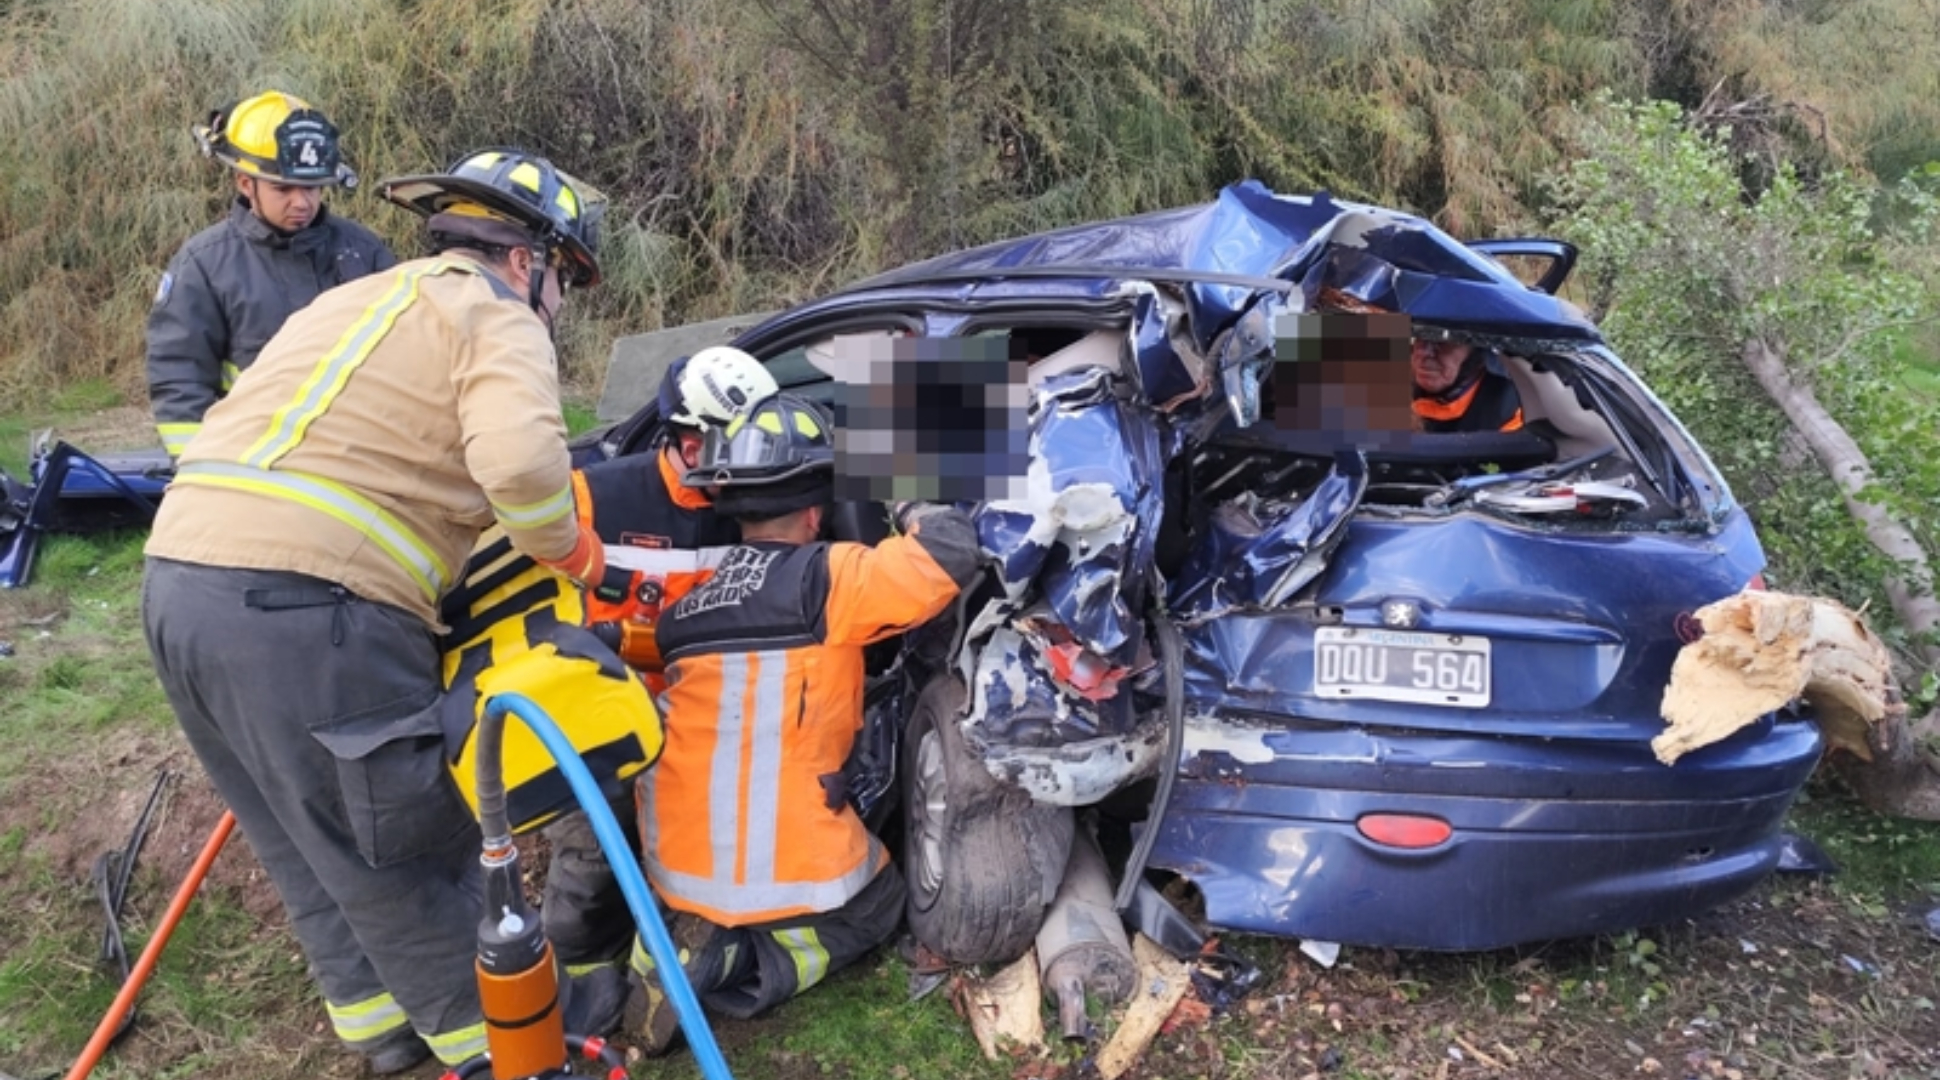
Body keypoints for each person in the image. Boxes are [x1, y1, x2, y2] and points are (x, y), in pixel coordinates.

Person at [141, 147, 607, 1075]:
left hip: (178, 586)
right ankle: (510, 1056)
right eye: (565, 285)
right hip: (305, 611)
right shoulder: (496, 311)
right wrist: (577, 554)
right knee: (398, 848)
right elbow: (519, 469)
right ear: (528, 260)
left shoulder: (358, 298)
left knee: (306, 845)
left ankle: (384, 1037)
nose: (559, 307)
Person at [625, 393, 983, 1052]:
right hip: (783, 867)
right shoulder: (827, 580)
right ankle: (746, 965)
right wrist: (904, 494)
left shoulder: (683, 613)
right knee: (878, 909)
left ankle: (672, 951)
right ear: (816, 514)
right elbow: (952, 552)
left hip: (673, 867)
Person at [509, 346, 778, 1036]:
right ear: (690, 442)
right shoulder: (596, 493)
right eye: (738, 445)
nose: (754, 459)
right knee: (597, 843)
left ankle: (668, 956)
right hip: (609, 707)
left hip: (713, 708)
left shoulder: (758, 504)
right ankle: (577, 965)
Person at [147, 90, 395, 458]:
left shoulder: (364, 252)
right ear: (245, 183)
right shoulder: (204, 265)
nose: (302, 202)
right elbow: (180, 378)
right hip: (252, 464)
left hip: (355, 460)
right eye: (282, 188)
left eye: (312, 187)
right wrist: (201, 471)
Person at [1409, 335, 1524, 432]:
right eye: (1418, 338)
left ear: (1475, 351)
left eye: (1443, 339)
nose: (1423, 353)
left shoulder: (1507, 408)